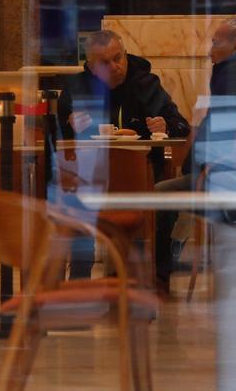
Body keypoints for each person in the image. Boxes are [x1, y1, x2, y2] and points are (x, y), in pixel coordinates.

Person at [153, 18, 236, 291]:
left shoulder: (234, 71)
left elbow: (228, 127)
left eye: (215, 42)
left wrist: (207, 164)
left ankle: (159, 276)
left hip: (229, 179)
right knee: (177, 192)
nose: (210, 50)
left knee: (161, 195)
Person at [55, 30, 191, 279]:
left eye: (118, 58)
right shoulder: (77, 88)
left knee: (162, 202)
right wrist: (68, 124)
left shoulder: (145, 84)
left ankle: (153, 278)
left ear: (126, 55)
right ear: (92, 66)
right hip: (90, 176)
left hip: (142, 175)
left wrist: (165, 126)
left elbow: (181, 125)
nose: (115, 66)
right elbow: (54, 134)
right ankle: (79, 281)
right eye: (105, 63)